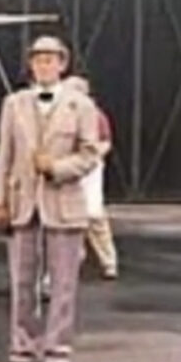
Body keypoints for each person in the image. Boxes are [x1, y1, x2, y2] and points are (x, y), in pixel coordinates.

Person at [0, 36, 102, 362]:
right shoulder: (13, 103)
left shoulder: (81, 105)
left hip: (64, 204)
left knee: (64, 281)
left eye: (50, 60)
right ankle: (22, 344)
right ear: (31, 65)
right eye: (38, 60)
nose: (44, 65)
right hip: (22, 203)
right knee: (21, 279)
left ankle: (57, 347)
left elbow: (90, 154)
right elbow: (3, 156)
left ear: (63, 64)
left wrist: (56, 167)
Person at [65, 75, 119, 280]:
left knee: (94, 215)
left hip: (90, 170)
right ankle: (74, 258)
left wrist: (93, 156)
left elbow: (105, 142)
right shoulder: (63, 114)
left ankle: (108, 262)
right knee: (71, 216)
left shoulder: (96, 116)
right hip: (69, 169)